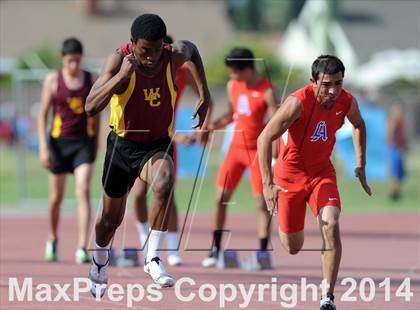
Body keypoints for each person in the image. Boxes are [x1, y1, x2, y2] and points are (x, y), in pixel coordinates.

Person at [85, 14, 210, 296]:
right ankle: (100, 260)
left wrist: (205, 93)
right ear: (132, 45)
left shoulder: (172, 56)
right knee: (109, 221)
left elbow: (192, 48)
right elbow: (90, 106)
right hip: (122, 144)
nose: (151, 58)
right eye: (144, 51)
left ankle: (153, 258)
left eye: (156, 51)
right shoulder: (118, 61)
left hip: (156, 143)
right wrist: (121, 77)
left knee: (164, 183)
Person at [257, 55, 372, 310]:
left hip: (322, 173)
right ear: (313, 82)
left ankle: (327, 297)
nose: (333, 91)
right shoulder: (296, 103)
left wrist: (360, 164)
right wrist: (267, 184)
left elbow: (358, 125)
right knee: (293, 246)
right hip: (289, 177)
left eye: (338, 83)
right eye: (327, 85)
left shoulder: (346, 101)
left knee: (331, 223)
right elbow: (264, 138)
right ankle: (287, 223)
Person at [131, 34, 207, 267]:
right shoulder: (142, 71)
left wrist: (203, 128)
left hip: (164, 138)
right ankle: (146, 236)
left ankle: (172, 249)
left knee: (167, 194)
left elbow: (205, 96)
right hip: (139, 138)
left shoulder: (182, 72)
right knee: (138, 194)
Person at [201, 47, 277, 269]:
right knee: (219, 198)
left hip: (257, 153)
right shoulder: (233, 86)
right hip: (235, 150)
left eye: (234, 71)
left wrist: (274, 155)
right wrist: (211, 127)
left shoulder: (267, 91)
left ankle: (263, 253)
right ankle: (215, 249)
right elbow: (232, 114)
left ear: (247, 69)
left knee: (261, 204)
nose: (231, 76)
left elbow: (276, 125)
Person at [37, 37, 99, 264]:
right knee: (56, 198)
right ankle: (53, 238)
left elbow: (97, 114)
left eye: (77, 61)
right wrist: (44, 147)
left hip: (83, 143)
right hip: (59, 144)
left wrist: (96, 143)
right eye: (70, 61)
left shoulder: (91, 79)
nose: (74, 66)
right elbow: (42, 114)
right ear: (62, 59)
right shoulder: (53, 80)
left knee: (82, 190)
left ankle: (83, 245)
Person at [387, 103, 407, 201]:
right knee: (396, 171)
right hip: (395, 148)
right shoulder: (394, 121)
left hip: (398, 148)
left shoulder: (400, 122)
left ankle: (397, 192)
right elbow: (391, 133)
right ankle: (394, 193)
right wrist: (392, 145)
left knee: (400, 172)